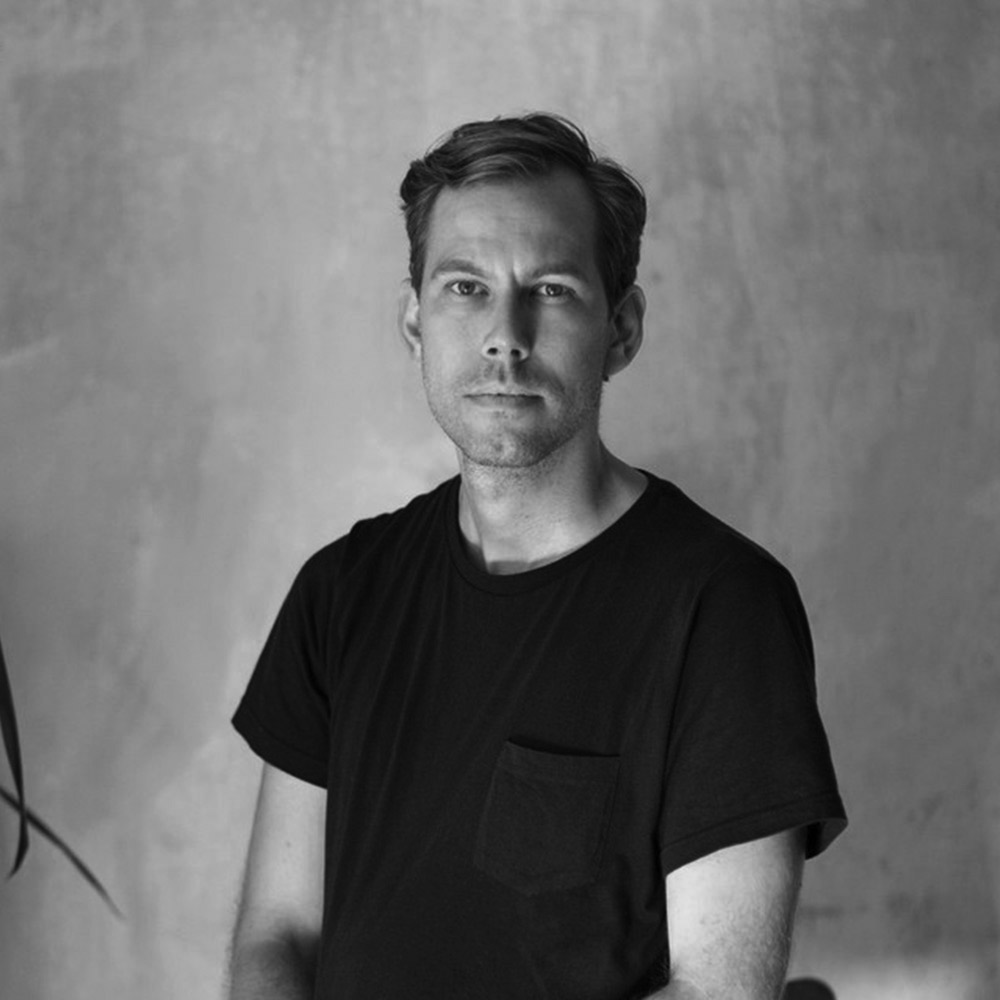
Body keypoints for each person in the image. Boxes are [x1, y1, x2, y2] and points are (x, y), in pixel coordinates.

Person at [227, 113, 846, 1000]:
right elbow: (279, 937)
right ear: (414, 322)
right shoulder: (340, 592)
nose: (503, 335)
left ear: (622, 329)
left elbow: (718, 990)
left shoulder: (722, 608)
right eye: (465, 287)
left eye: (550, 289)